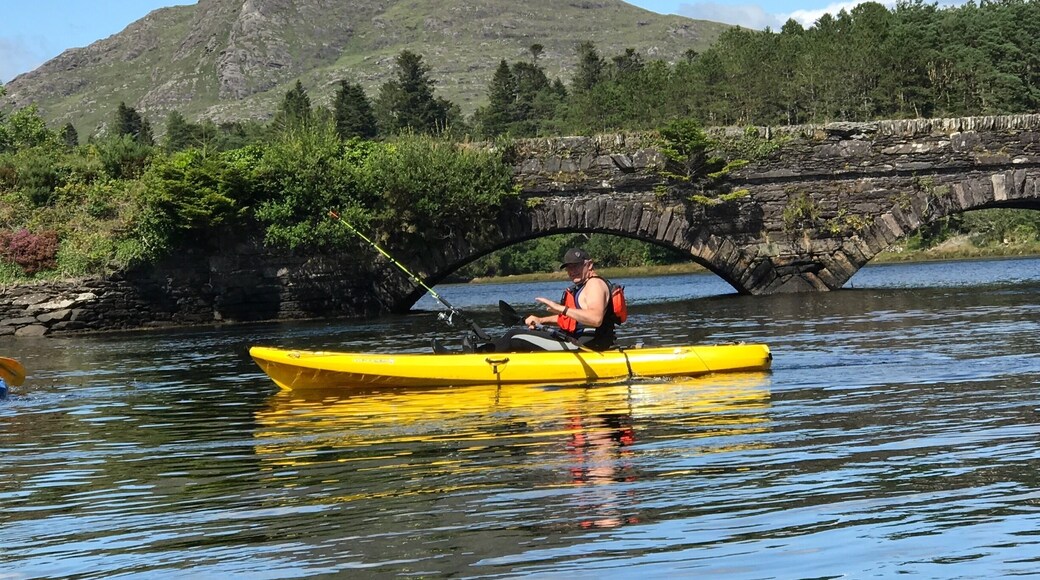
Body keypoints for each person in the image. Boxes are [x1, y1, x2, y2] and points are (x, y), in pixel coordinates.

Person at [492, 247, 618, 352]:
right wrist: (541, 320)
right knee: (519, 334)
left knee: (515, 336)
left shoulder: (594, 284)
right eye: (569, 267)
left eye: (577, 266)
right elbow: (574, 320)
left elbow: (595, 319)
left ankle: (483, 358)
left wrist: (560, 308)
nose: (572, 271)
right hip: (580, 341)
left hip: (586, 345)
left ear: (589, 265)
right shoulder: (586, 285)